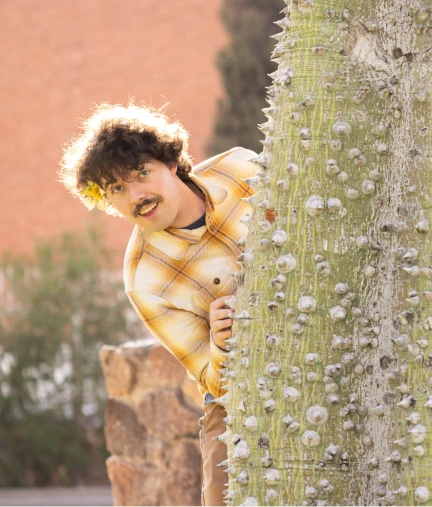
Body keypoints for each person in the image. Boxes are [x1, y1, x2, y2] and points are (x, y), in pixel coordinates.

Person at [58, 103, 259, 506]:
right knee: (222, 497)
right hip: (241, 386)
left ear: (170, 162)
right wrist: (221, 340)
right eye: (117, 189)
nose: (137, 196)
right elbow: (214, 381)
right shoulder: (144, 280)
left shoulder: (241, 168)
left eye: (141, 173)